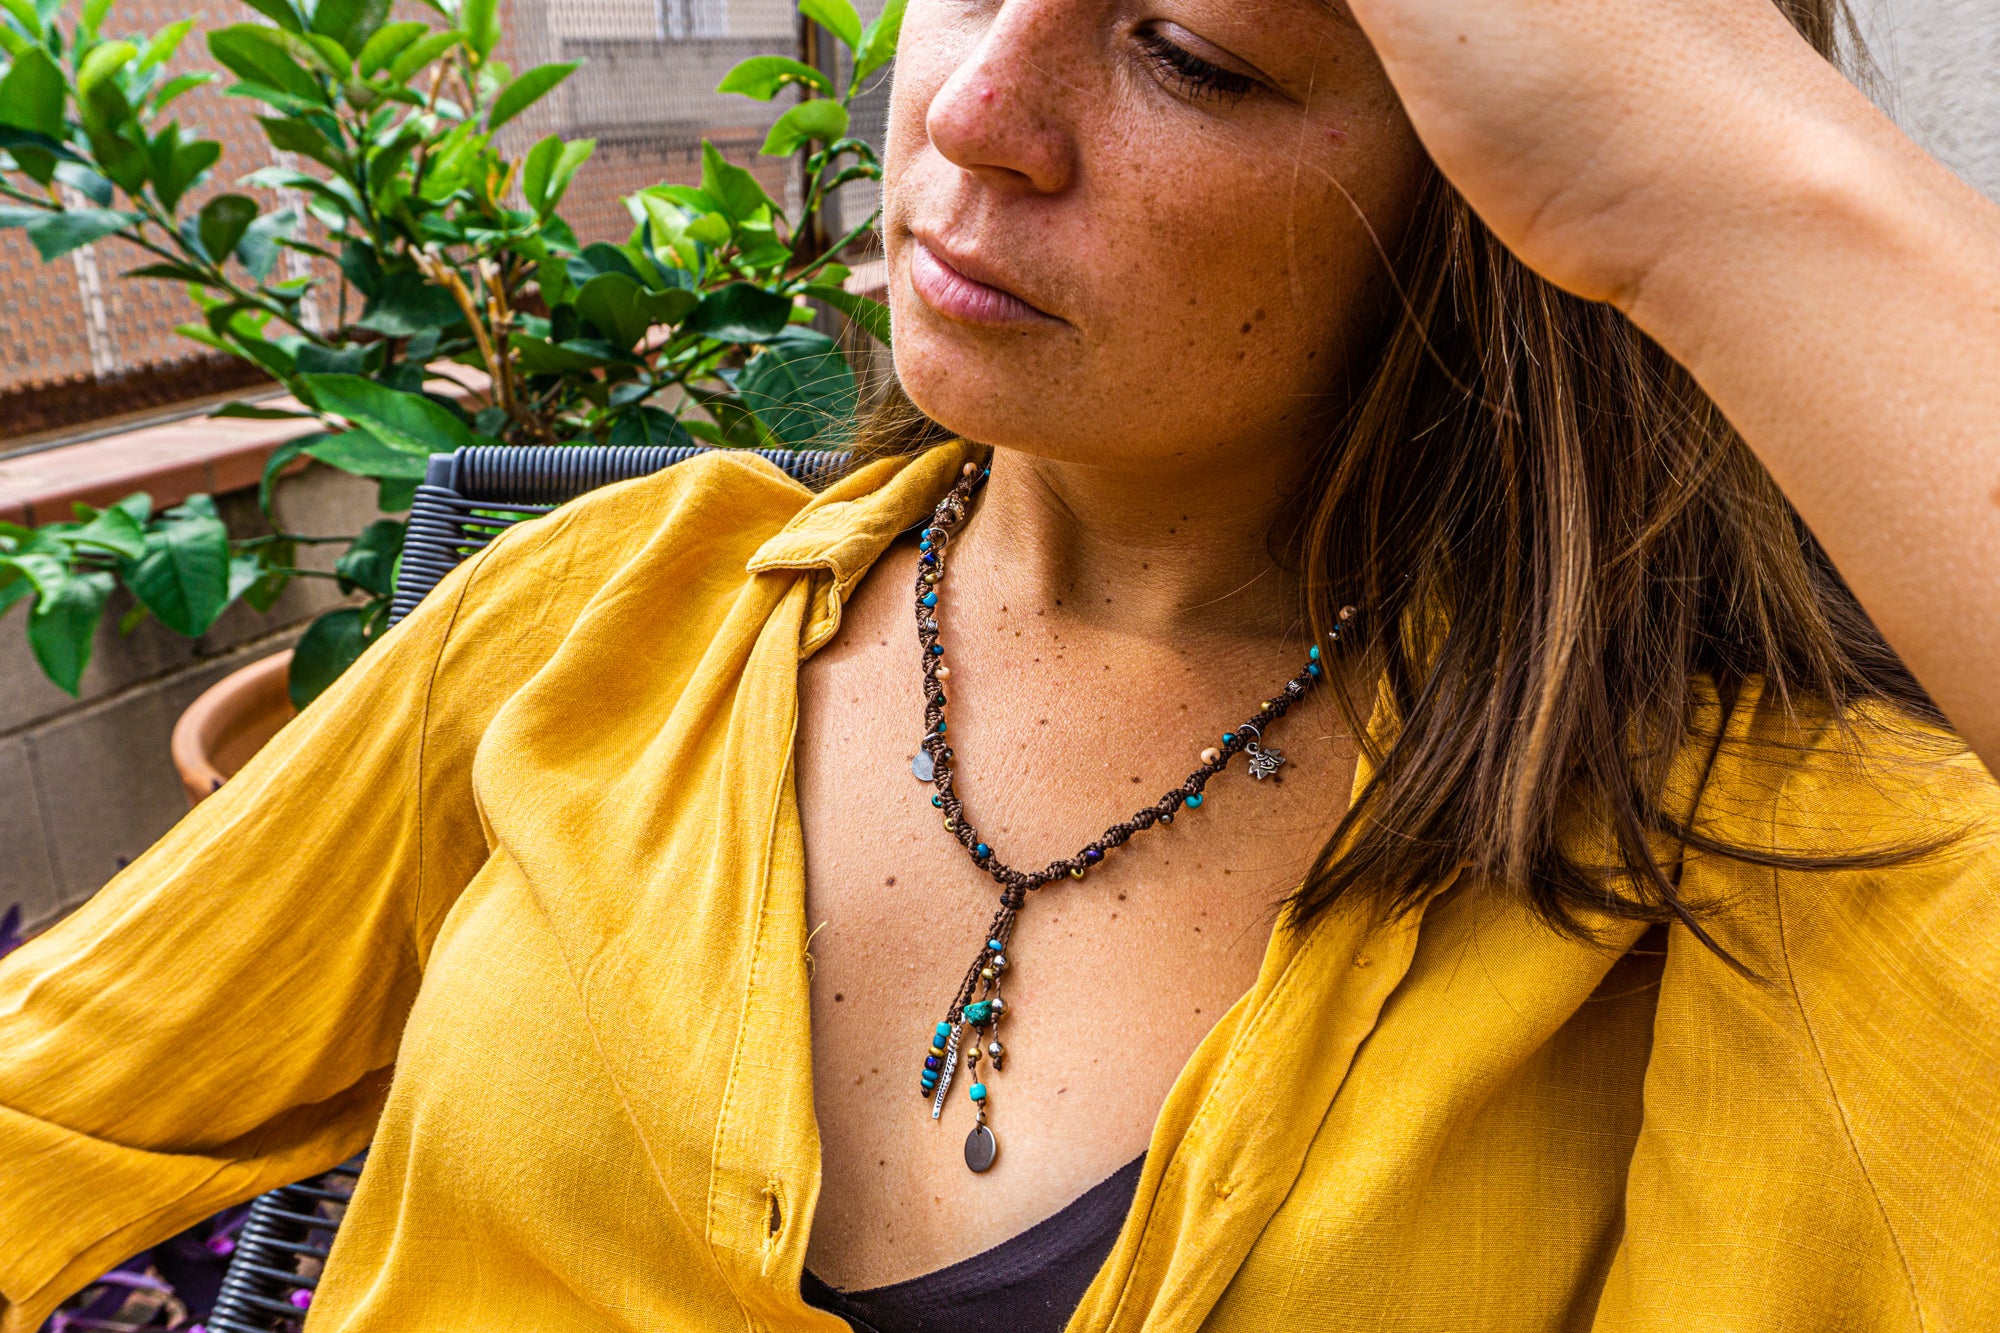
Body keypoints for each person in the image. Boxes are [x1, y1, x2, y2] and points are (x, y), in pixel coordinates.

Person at [3, 0, 1997, 1330]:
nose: (969, 111)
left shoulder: (1766, 868)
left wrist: (1741, 185)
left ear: (1505, 202)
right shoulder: (605, 615)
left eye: (1190, 55)